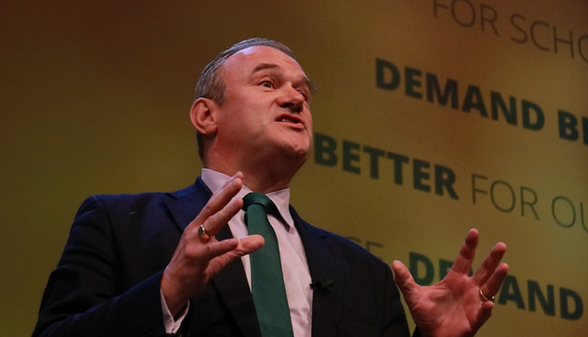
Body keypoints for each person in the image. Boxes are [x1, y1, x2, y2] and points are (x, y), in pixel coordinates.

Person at [32, 37, 508, 337]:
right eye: (268, 83)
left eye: (303, 91)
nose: (294, 98)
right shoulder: (119, 225)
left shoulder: (366, 275)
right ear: (206, 115)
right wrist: (168, 291)